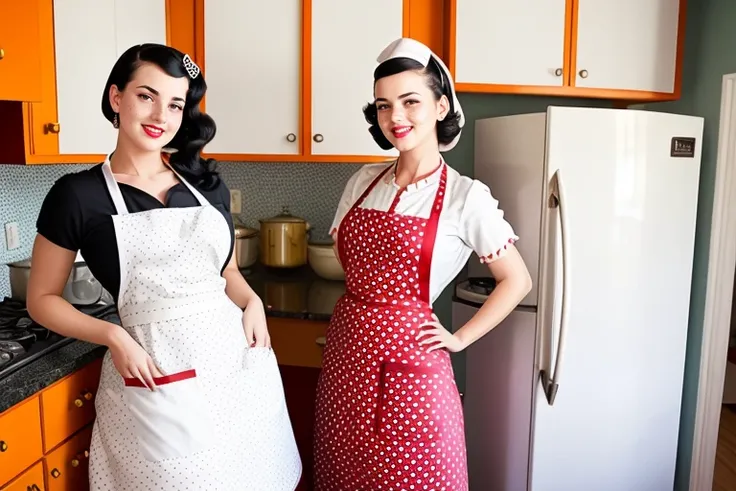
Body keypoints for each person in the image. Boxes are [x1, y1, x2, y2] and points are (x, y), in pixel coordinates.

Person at [26, 43, 302, 490]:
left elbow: (227, 272)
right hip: (157, 375)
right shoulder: (77, 195)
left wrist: (252, 302)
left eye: (175, 103)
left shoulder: (205, 184)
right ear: (117, 98)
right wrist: (113, 335)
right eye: (146, 96)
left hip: (236, 369)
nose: (160, 115)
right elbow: (40, 300)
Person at [313, 38, 533, 491]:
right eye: (383, 105)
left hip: (412, 368)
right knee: (343, 474)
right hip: (346, 359)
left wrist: (459, 338)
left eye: (410, 101)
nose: (396, 117)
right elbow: (345, 257)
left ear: (440, 106)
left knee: (413, 477)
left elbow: (517, 280)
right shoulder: (361, 181)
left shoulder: (465, 196)